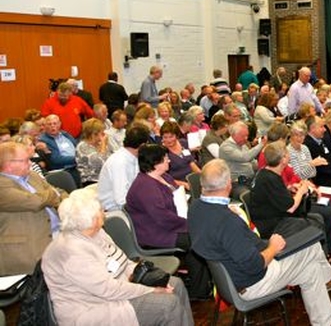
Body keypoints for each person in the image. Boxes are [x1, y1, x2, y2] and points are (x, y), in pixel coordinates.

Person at [189, 159, 331, 326]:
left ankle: (325, 321)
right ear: (228, 184)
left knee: (312, 270)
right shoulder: (228, 222)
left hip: (232, 280)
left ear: (203, 185)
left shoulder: (196, 207)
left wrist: (226, 211)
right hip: (253, 282)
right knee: (312, 246)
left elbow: (218, 232)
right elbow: (255, 265)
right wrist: (273, 248)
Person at [42, 195, 193, 326]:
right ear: (92, 220)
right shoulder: (71, 252)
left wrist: (149, 278)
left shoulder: (97, 232)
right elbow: (109, 290)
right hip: (93, 308)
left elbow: (124, 262)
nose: (105, 213)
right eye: (101, 211)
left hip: (118, 288)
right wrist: (152, 289)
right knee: (168, 304)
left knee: (176, 284)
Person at [0, 142, 66, 275]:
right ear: (8, 164)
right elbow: (35, 202)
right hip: (26, 248)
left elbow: (60, 192)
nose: (30, 163)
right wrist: (52, 195)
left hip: (58, 234)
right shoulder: (2, 185)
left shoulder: (32, 176)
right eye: (25, 160)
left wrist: (54, 195)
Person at [98, 125, 150, 211]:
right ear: (142, 145)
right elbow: (121, 200)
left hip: (129, 203)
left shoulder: (133, 157)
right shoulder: (119, 162)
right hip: (114, 210)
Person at [218, 121, 265, 198]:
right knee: (248, 196)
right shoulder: (225, 147)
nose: (246, 138)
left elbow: (253, 162)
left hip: (250, 180)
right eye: (243, 136)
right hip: (235, 183)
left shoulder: (243, 145)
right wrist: (262, 144)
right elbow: (245, 157)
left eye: (247, 135)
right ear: (234, 135)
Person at [39, 114, 81, 185]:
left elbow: (77, 147)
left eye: (55, 123)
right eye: (49, 124)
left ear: (60, 124)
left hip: (78, 166)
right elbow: (56, 160)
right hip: (64, 170)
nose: (52, 126)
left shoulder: (65, 134)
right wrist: (77, 158)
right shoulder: (44, 140)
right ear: (45, 126)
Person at [160, 121, 201, 188]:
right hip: (178, 184)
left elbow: (192, 163)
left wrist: (202, 176)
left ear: (177, 135)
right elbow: (162, 177)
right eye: (165, 137)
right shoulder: (161, 151)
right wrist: (183, 184)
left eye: (171, 136)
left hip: (192, 179)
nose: (168, 140)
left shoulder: (183, 143)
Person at [76, 118, 113, 187]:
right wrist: (103, 145)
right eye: (102, 133)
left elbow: (112, 159)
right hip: (91, 181)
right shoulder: (82, 146)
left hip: (106, 179)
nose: (104, 135)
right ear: (93, 134)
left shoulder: (99, 143)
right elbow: (100, 164)